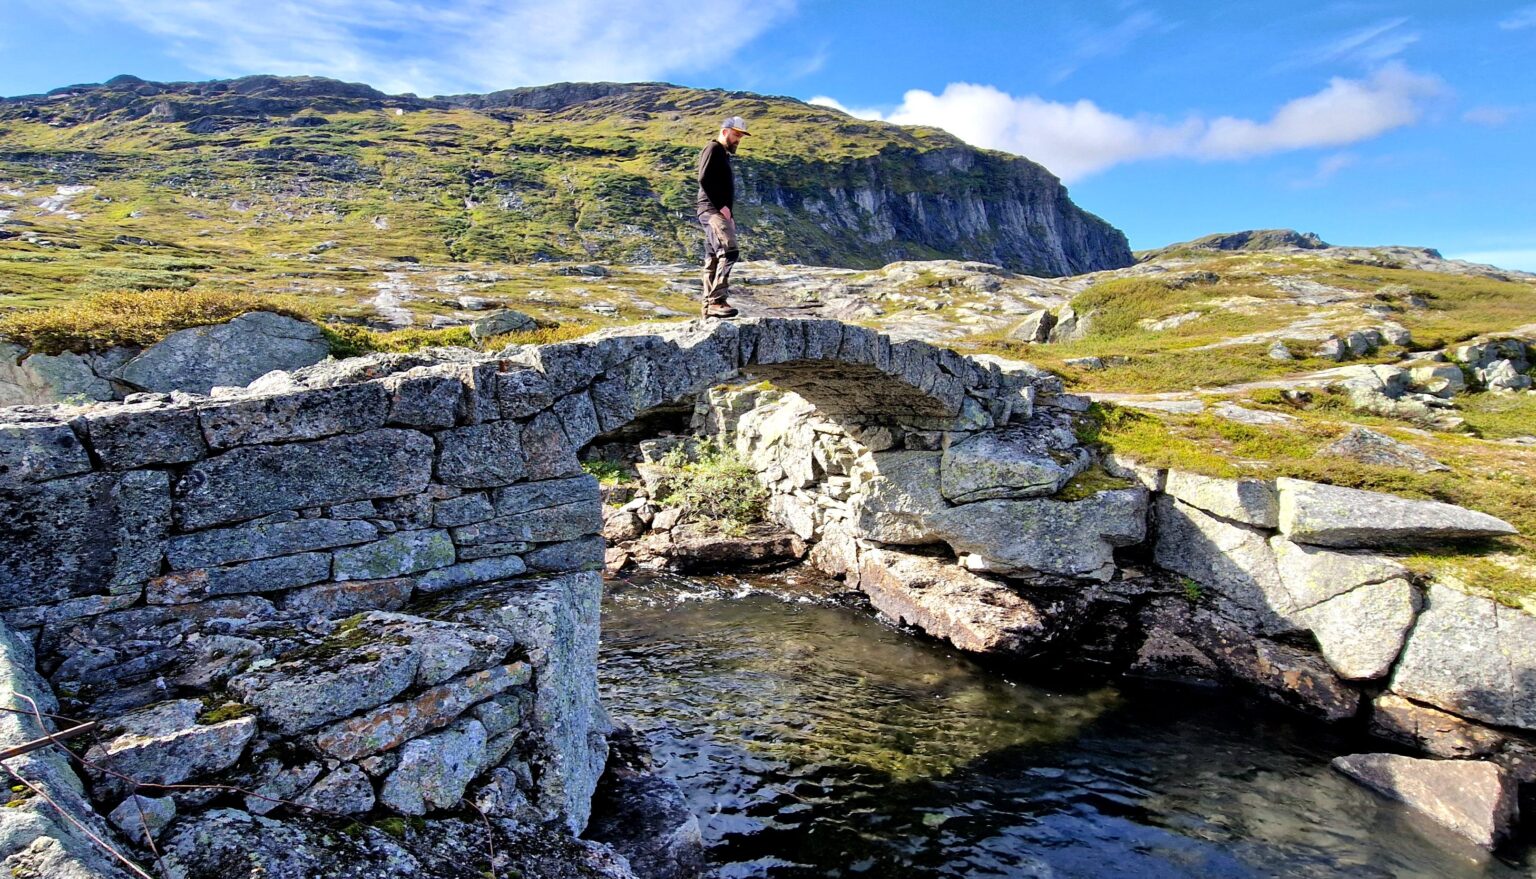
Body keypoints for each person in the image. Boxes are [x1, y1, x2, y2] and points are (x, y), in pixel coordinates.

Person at [695, 115, 750, 318]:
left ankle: (707, 310)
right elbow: (704, 178)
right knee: (729, 250)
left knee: (713, 257)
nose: (738, 140)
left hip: (716, 211)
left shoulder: (723, 154)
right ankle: (716, 301)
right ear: (725, 131)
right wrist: (721, 208)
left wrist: (730, 214)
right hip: (711, 210)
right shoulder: (714, 149)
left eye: (740, 137)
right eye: (736, 135)